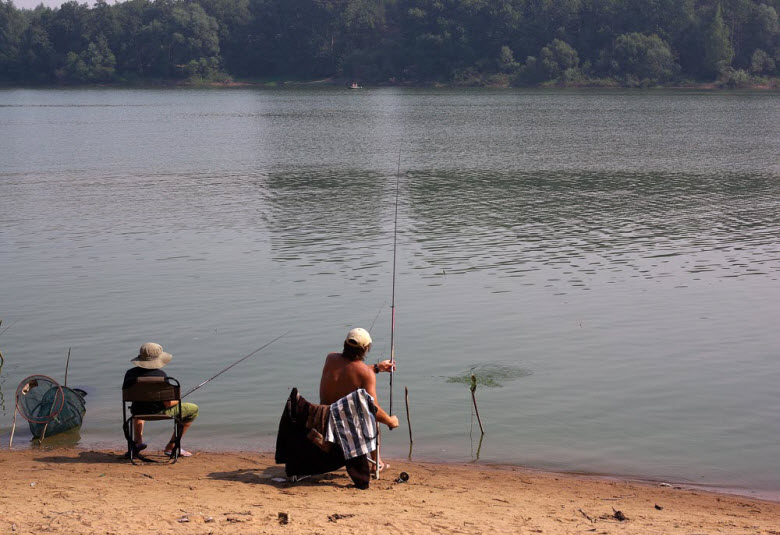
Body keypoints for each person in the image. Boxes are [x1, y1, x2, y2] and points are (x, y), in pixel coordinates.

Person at [319, 327, 398, 470]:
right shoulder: (366, 374)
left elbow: (346, 371)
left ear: (345, 343)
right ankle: (377, 463)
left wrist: (376, 368)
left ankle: (376, 461)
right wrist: (391, 421)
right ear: (366, 348)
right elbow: (374, 410)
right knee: (372, 418)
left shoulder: (330, 358)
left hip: (324, 419)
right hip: (345, 428)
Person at [122, 342, 198, 457]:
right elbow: (168, 403)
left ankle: (137, 442)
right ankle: (172, 446)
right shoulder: (161, 375)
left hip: (137, 411)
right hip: (159, 412)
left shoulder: (130, 374)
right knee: (193, 409)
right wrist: (177, 400)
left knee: (140, 405)